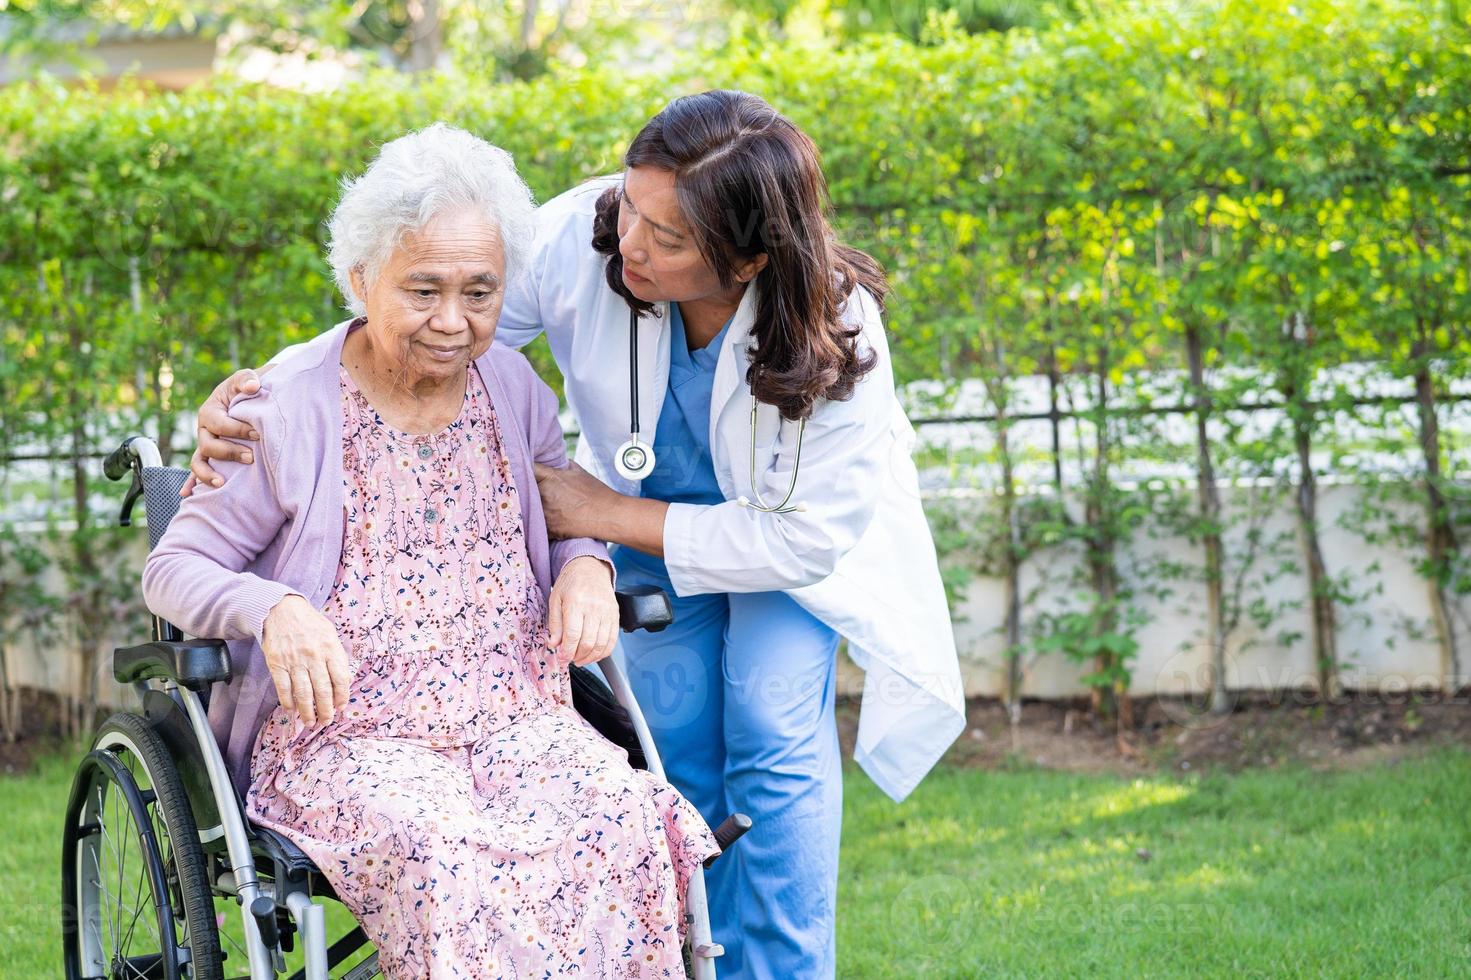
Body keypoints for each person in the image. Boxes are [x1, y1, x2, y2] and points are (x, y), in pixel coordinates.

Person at [187, 90, 966, 979]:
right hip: (637, 543)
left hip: (783, 555)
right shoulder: (580, 239)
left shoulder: (832, 322)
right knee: (674, 758)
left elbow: (799, 539)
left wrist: (596, 527)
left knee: (772, 744)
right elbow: (420, 315)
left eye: (668, 239)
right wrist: (262, 391)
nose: (630, 242)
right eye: (634, 206)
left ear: (747, 257)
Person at [144, 123, 719, 978]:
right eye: (422, 291)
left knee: (620, 812)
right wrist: (274, 608)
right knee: (443, 849)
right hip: (345, 739)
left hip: (516, 716)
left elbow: (562, 507)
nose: (453, 322)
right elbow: (173, 568)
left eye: (479, 293)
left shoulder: (513, 388)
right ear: (358, 278)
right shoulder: (280, 408)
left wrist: (589, 564)